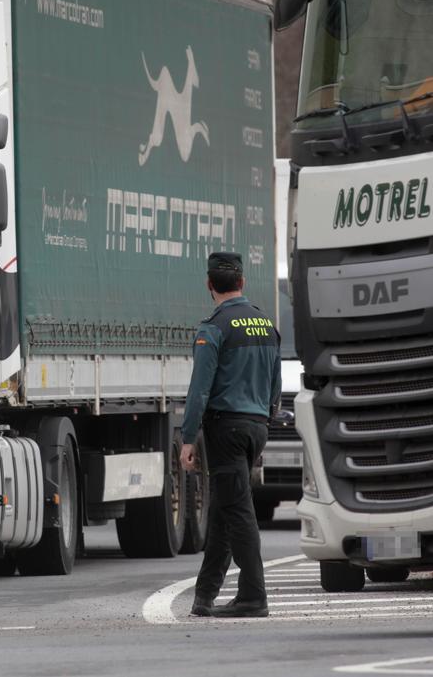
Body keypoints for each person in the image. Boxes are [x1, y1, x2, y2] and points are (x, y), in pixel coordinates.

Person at [180, 251, 281, 619]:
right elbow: (275, 387)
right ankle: (204, 596)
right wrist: (264, 426)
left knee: (237, 511)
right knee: (225, 507)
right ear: (242, 282)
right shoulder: (266, 325)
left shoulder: (214, 328)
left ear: (210, 284)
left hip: (226, 428)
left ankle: (254, 596)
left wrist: (188, 438)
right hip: (256, 428)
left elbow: (200, 390)